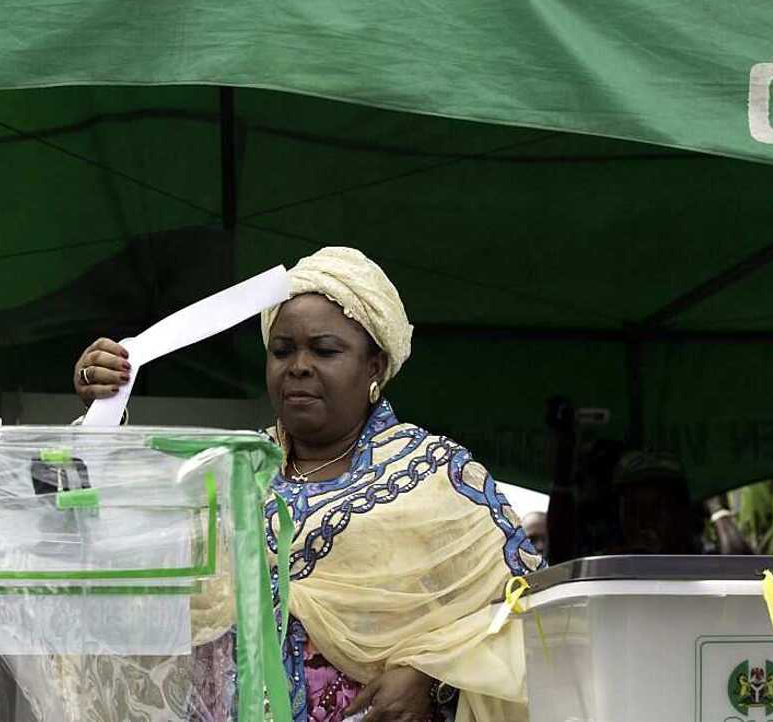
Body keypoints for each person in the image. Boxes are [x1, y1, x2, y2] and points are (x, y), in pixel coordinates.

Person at [74, 247, 543, 722]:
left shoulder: (435, 477)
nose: (298, 365)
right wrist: (103, 414)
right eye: (282, 351)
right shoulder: (230, 473)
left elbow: (527, 610)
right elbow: (107, 541)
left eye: (324, 350)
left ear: (375, 367)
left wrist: (431, 675)